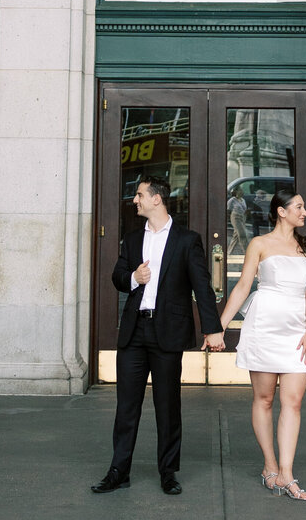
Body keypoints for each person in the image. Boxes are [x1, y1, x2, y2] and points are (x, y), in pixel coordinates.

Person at [92, 175, 223, 497]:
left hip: (168, 333)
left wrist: (213, 329)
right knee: (126, 408)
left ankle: (168, 472)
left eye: (139, 195)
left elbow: (201, 287)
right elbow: (118, 275)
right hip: (135, 332)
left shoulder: (186, 240)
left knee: (168, 407)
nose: (134, 200)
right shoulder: (133, 240)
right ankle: (118, 471)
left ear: (156, 199)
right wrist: (134, 277)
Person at [207, 190, 306, 501]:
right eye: (298, 206)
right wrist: (220, 326)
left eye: (303, 206)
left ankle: (287, 472)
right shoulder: (259, 244)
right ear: (281, 211)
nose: (304, 212)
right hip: (264, 328)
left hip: (296, 332)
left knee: (293, 402)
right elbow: (243, 286)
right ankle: (270, 467)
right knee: (265, 399)